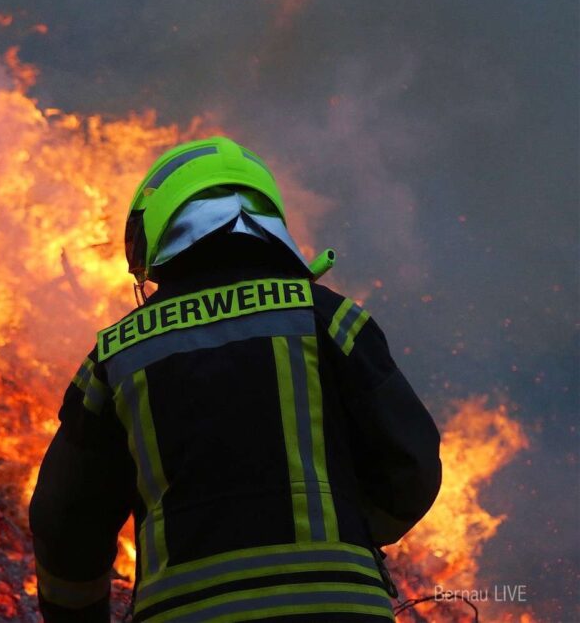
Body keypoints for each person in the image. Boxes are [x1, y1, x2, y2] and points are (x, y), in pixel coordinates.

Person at [29, 136, 442, 623]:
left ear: (156, 233)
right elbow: (411, 466)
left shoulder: (117, 356)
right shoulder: (330, 320)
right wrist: (349, 530)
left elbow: (66, 522)